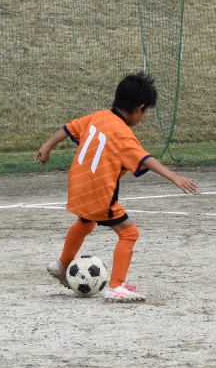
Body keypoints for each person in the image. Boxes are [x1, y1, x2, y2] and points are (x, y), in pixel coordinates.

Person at [36, 72, 197, 302]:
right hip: (98, 192)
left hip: (78, 185)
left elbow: (68, 128)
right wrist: (174, 177)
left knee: (85, 223)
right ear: (139, 108)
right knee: (129, 232)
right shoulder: (123, 134)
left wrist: (46, 146)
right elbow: (145, 159)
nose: (143, 117)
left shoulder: (97, 117)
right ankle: (115, 286)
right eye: (145, 112)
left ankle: (62, 265)